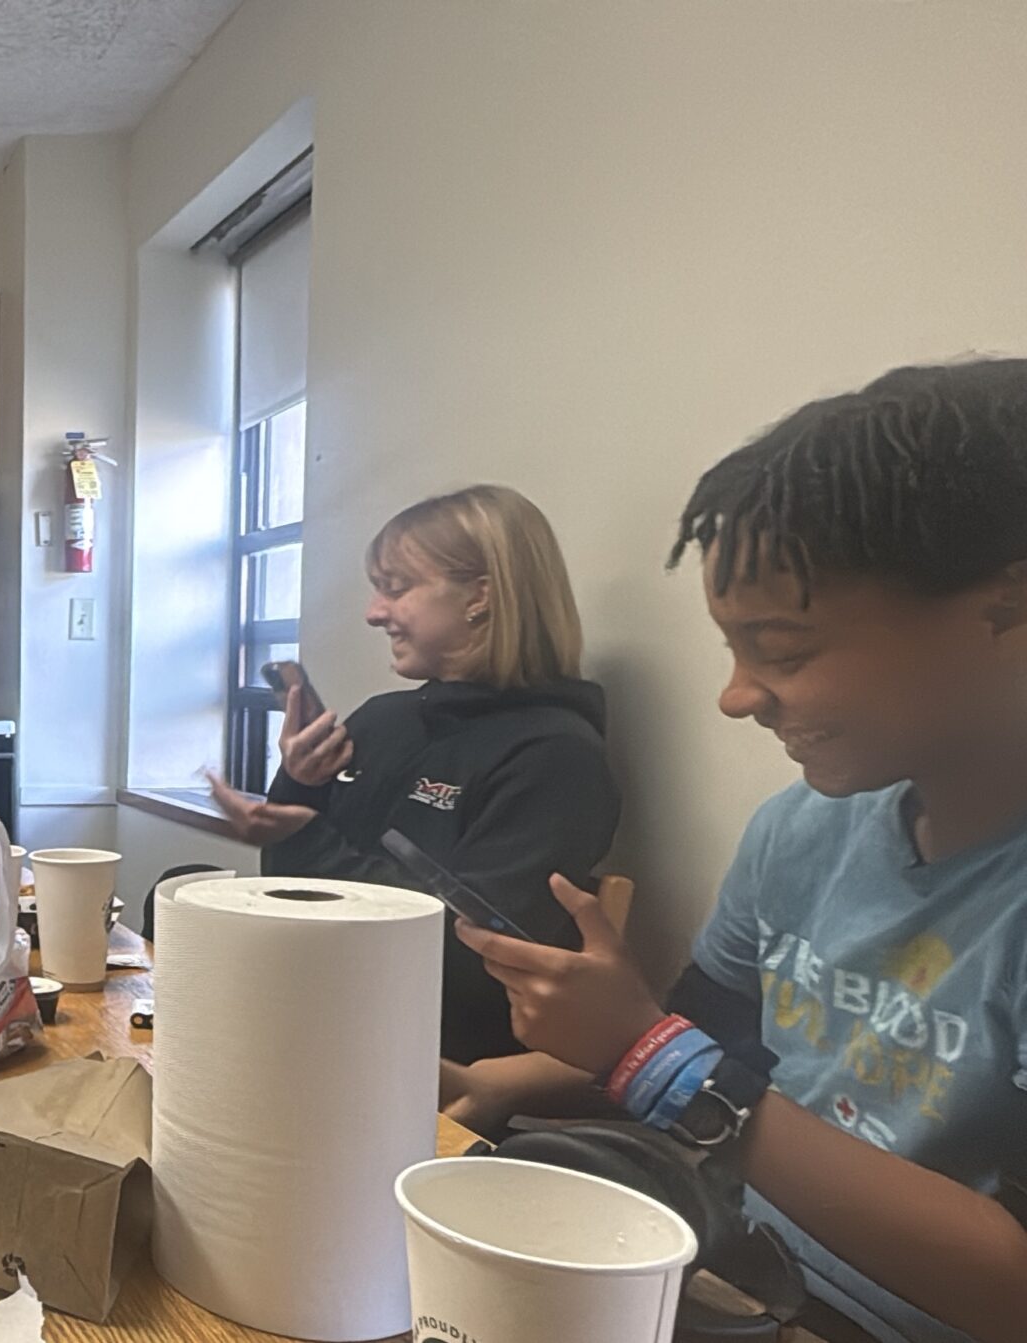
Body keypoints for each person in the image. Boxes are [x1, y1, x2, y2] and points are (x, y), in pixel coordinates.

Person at [447, 361, 1027, 1343]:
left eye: (784, 651)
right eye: (730, 650)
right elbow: (718, 1046)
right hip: (736, 1256)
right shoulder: (801, 830)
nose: (736, 695)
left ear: (1005, 611)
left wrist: (655, 1056)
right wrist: (505, 1077)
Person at [209, 485, 620, 1064]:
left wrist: (299, 830)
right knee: (180, 893)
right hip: (321, 1000)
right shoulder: (383, 718)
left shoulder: (555, 757)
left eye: (395, 589)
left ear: (481, 595)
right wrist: (300, 784)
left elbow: (462, 944)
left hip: (428, 1048)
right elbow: (291, 884)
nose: (374, 613)